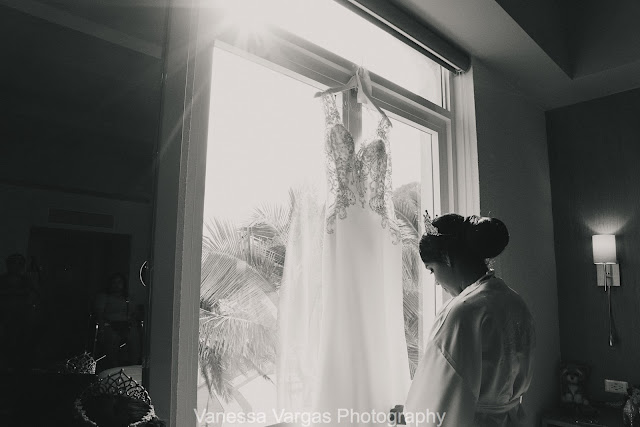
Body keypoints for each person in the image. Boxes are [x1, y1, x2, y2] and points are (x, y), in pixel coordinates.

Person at [400, 213, 536, 426]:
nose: (436, 282)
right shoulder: (515, 301)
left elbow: (437, 394)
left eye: (432, 270)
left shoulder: (461, 312)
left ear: (447, 257)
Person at [93, 273, 141, 369]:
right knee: (112, 350)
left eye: (119, 282)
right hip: (110, 325)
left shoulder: (128, 298)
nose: (117, 285)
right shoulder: (104, 297)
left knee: (135, 345)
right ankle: (113, 370)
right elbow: (99, 314)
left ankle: (133, 369)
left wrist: (133, 320)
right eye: (114, 282)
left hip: (127, 325)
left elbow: (135, 312)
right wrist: (102, 328)